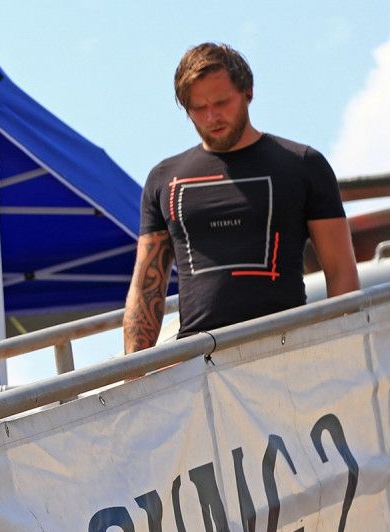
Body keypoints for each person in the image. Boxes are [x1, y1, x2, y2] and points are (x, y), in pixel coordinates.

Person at [124, 43, 359, 352]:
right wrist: (134, 371)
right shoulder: (163, 179)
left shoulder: (303, 164)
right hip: (198, 360)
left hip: (286, 349)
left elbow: (341, 272)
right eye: (198, 108)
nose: (212, 117)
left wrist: (343, 352)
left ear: (248, 91)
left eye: (222, 102)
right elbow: (146, 288)